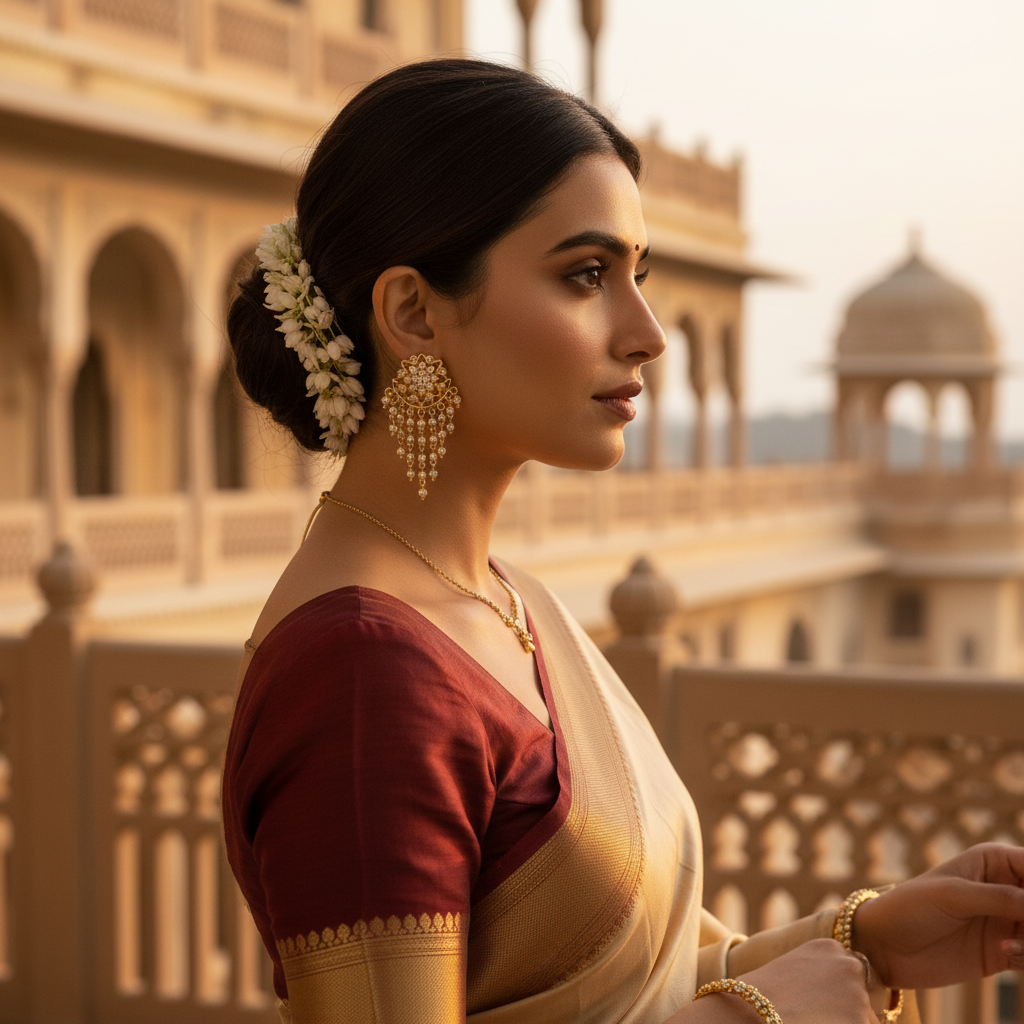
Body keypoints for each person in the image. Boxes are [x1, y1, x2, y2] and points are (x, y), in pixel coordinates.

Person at [221, 58, 1024, 1024]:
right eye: (586, 275)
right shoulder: (361, 670)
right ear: (414, 313)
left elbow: (624, 977)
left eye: (638, 277)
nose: (647, 333)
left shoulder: (499, 599)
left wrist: (862, 940)